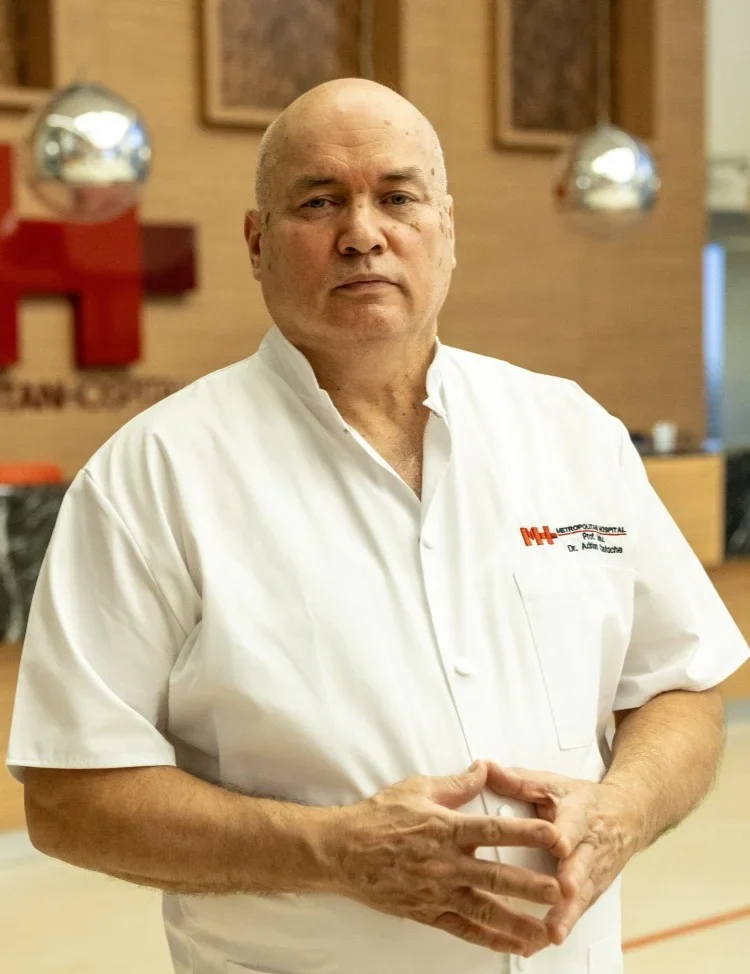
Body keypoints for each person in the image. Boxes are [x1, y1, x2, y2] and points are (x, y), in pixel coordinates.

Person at [7, 78, 748, 974]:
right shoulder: (152, 477)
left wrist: (622, 811)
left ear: (446, 227)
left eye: (397, 197)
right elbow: (71, 797)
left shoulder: (571, 433)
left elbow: (681, 690)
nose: (363, 232)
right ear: (256, 242)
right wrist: (334, 853)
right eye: (319, 202)